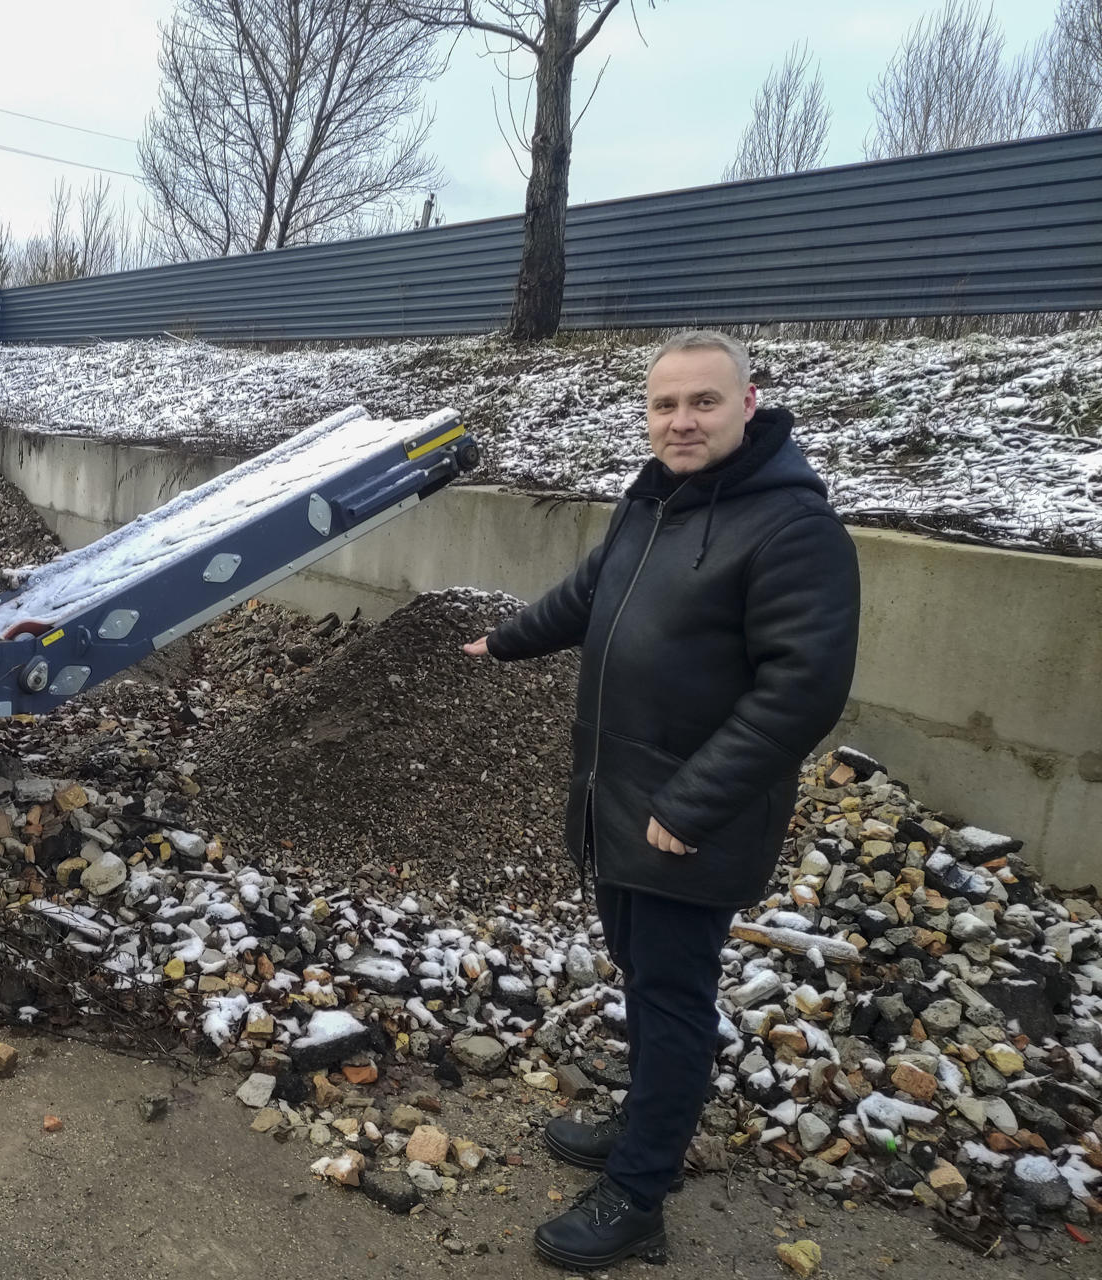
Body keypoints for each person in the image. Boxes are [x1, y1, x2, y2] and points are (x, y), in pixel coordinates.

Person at [462, 330, 861, 1271]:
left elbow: (800, 690)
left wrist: (691, 805)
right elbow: (591, 594)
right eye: (664, 405)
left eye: (703, 403)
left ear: (748, 403)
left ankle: (640, 1196)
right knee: (642, 978)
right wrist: (506, 642)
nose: (680, 421)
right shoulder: (655, 503)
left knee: (674, 997)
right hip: (618, 796)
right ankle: (646, 1125)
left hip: (691, 821)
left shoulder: (794, 528)